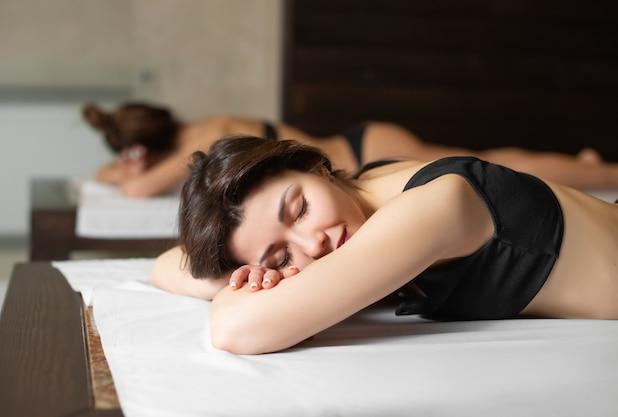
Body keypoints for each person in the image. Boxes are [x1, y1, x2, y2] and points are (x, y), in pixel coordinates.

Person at [149, 135, 618, 355]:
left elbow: (236, 331)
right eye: (284, 255)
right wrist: (253, 273)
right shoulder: (370, 184)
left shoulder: (431, 208)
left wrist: (248, 285)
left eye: (300, 210)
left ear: (315, 168)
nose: (314, 243)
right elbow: (167, 265)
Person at [83, 101, 618, 198]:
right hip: (363, 144)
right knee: (487, 157)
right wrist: (125, 160)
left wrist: (127, 169)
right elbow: (117, 174)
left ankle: (604, 173)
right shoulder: (204, 127)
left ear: (143, 147)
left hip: (367, 153)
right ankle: (584, 169)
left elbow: (132, 188)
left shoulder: (200, 146)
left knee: (499, 169)